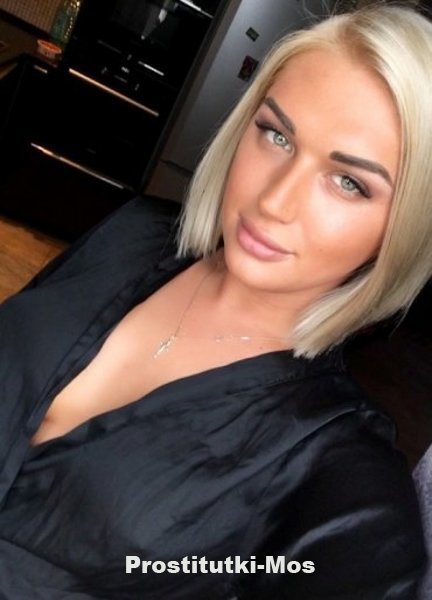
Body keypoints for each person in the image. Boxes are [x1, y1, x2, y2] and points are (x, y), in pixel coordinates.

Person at [0, 3, 430, 598]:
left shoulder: (337, 466)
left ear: (403, 230)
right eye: (277, 135)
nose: (274, 201)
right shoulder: (134, 236)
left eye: (350, 182)